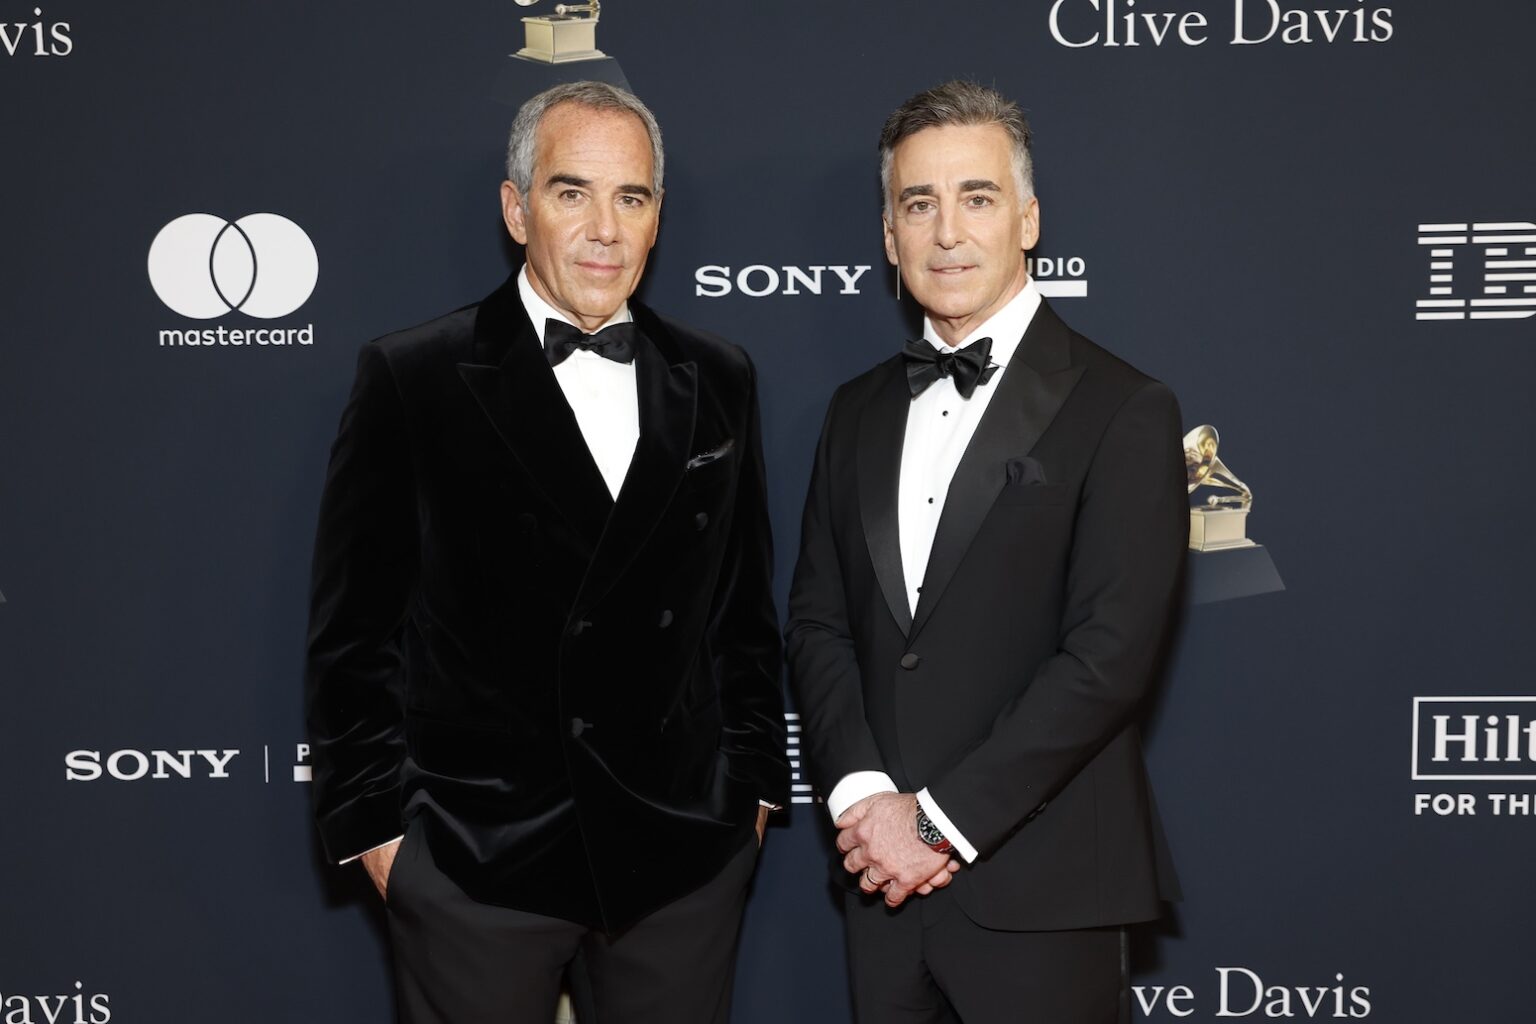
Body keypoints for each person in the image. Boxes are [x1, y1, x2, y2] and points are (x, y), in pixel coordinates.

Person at [305, 80, 787, 1024]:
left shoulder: (720, 376)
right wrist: (382, 840)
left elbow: (744, 615)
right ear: (517, 209)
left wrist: (755, 797)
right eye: (573, 193)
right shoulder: (415, 376)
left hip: (680, 860)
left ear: (657, 220)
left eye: (632, 198)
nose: (605, 228)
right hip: (476, 862)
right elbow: (353, 635)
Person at [786, 80, 1185, 1024]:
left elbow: (1109, 659)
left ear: (1029, 218)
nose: (947, 232)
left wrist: (938, 823)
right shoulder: (854, 411)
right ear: (889, 237)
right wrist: (865, 799)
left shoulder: (1124, 409)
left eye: (978, 197)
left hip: (1041, 892)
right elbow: (817, 619)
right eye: (917, 205)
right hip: (880, 884)